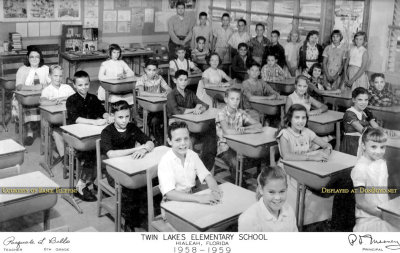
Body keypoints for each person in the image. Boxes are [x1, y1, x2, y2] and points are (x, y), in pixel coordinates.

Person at [276, 104, 333, 227]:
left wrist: (326, 153)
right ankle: (302, 222)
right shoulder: (284, 134)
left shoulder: (307, 132)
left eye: (303, 118)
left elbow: (327, 145)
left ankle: (317, 220)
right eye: (297, 117)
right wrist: (312, 157)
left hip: (306, 168)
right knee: (306, 196)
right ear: (290, 118)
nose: (300, 121)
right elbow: (287, 156)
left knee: (322, 188)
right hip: (287, 171)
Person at [101, 100, 155, 231]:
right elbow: (111, 154)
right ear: (112, 116)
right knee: (129, 188)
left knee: (151, 181)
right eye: (120, 117)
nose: (124, 120)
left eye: (127, 117)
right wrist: (134, 150)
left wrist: (144, 149)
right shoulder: (107, 131)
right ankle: (129, 223)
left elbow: (149, 142)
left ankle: (142, 217)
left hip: (131, 166)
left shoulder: (132, 127)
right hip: (113, 170)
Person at [66, 70, 113, 202]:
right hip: (78, 138)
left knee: (108, 149)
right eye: (80, 85)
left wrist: (107, 116)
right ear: (74, 85)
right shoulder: (71, 100)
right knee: (92, 153)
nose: (84, 87)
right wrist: (95, 121)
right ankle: (81, 185)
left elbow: (102, 111)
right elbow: (76, 118)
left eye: (86, 84)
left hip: (92, 135)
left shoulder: (93, 98)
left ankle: (103, 182)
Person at [158, 121, 222, 204]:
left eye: (186, 138)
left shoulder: (192, 155)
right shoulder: (165, 161)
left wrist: (215, 191)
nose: (183, 143)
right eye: (178, 140)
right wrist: (199, 198)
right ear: (169, 141)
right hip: (172, 202)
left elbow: (207, 175)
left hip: (190, 198)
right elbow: (170, 194)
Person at [166, 70, 217, 171]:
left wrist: (200, 109)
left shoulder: (190, 93)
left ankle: (204, 165)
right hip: (176, 124)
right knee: (191, 140)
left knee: (211, 132)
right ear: (175, 80)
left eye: (185, 80)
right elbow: (176, 111)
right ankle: (191, 167)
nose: (183, 82)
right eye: (180, 80)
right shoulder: (171, 94)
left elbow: (205, 104)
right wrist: (194, 109)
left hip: (189, 123)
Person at [351, 128, 399, 232]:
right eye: (373, 147)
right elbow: (360, 202)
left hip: (384, 213)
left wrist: (391, 212)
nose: (379, 151)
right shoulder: (360, 168)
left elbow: (384, 192)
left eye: (382, 147)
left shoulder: (382, 163)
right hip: (368, 219)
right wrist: (383, 215)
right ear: (363, 146)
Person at [215, 87, 262, 179]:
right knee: (235, 162)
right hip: (225, 148)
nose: (235, 102)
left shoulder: (240, 113)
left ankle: (242, 177)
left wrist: (245, 129)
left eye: (237, 99)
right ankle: (239, 184)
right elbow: (227, 131)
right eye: (232, 99)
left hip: (239, 146)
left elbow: (258, 125)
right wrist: (245, 130)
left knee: (258, 157)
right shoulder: (221, 113)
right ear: (226, 100)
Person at [238, 166, 298, 232]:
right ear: (261, 189)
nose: (277, 198)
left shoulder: (289, 210)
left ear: (286, 188)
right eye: (271, 192)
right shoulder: (248, 220)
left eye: (282, 191)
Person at [12, 45, 50, 146]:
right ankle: (30, 132)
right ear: (28, 58)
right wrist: (34, 88)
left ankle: (45, 132)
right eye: (31, 57)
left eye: (37, 57)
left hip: (40, 96)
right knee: (26, 106)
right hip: (26, 96)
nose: (34, 59)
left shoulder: (45, 69)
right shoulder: (22, 69)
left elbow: (51, 83)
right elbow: (19, 86)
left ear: (40, 58)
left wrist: (42, 86)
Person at [341, 87, 394, 156]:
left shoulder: (366, 111)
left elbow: (375, 126)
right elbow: (363, 131)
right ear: (353, 99)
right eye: (360, 100)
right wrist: (382, 133)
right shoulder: (349, 114)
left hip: (364, 141)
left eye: (366, 100)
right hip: (352, 145)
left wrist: (387, 132)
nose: (363, 103)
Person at [40, 65, 75, 158]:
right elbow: (42, 101)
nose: (58, 79)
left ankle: (75, 156)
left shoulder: (67, 87)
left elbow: (76, 99)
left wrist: (63, 98)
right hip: (55, 121)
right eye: (55, 76)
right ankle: (65, 157)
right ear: (50, 76)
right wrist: (55, 101)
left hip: (69, 119)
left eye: (60, 76)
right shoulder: (46, 90)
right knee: (57, 133)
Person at [136, 59, 171, 144]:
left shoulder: (159, 78)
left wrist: (167, 92)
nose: (152, 72)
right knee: (154, 121)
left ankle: (163, 139)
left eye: (154, 70)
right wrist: (159, 95)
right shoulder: (141, 79)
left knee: (167, 118)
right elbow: (142, 93)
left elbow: (169, 89)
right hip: (145, 109)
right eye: (149, 70)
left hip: (158, 107)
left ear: (157, 70)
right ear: (145, 70)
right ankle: (160, 142)